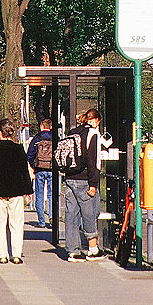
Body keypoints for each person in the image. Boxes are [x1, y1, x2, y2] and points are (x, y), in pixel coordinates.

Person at [0, 117, 34, 264]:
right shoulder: (19, 149)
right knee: (16, 224)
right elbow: (24, 171)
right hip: (16, 191)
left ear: (0, 132)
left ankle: (2, 255)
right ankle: (16, 255)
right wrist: (29, 191)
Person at [62, 108, 111, 262]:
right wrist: (94, 183)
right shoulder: (93, 134)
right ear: (96, 120)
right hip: (84, 180)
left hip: (70, 178)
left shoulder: (73, 132)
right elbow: (94, 160)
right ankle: (93, 249)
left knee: (71, 215)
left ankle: (73, 252)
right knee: (91, 213)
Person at [25, 118, 52, 227]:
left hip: (39, 169)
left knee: (39, 195)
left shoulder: (37, 138)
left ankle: (41, 221)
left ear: (41, 126)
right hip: (51, 170)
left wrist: (34, 165)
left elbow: (29, 155)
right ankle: (51, 217)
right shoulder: (55, 138)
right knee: (52, 195)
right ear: (50, 127)